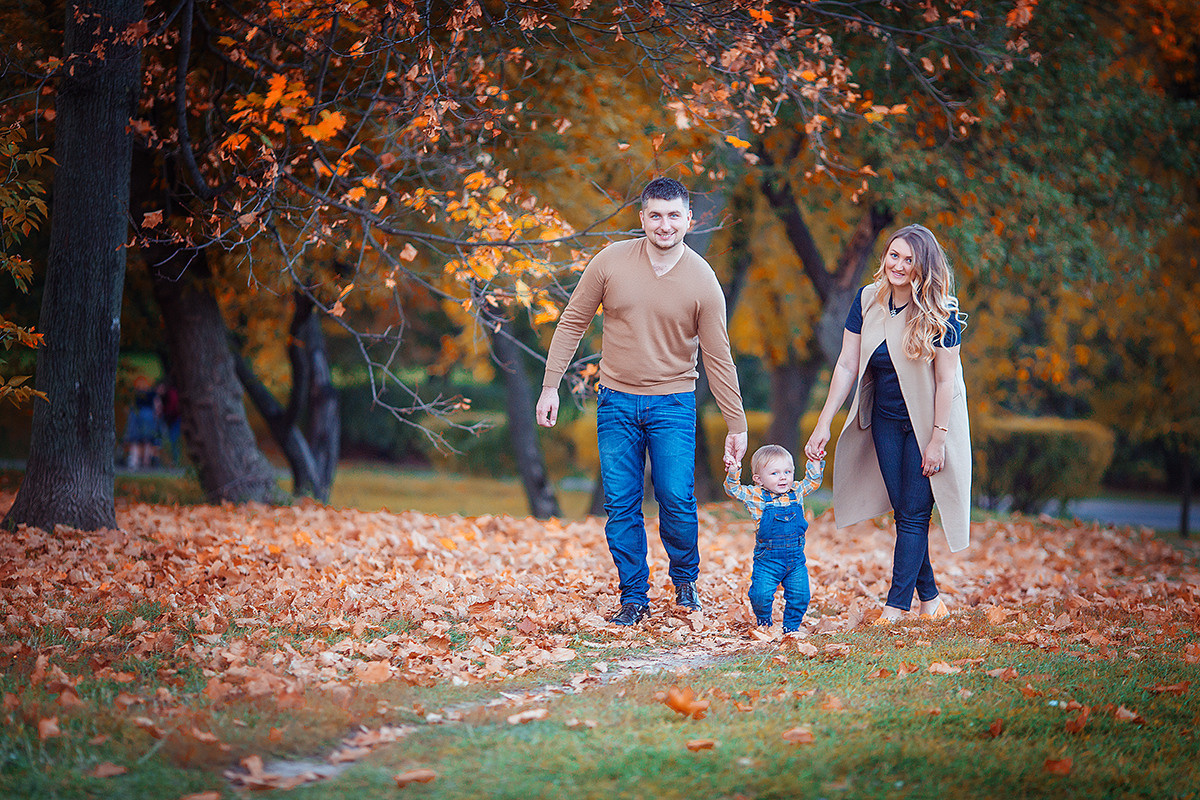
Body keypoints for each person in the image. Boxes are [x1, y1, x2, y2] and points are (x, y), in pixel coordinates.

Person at [536, 177, 749, 625]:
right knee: (621, 502)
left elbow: (718, 355)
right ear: (642, 218)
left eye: (674, 215)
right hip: (616, 403)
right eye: (655, 215)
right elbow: (573, 320)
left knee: (675, 497)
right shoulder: (611, 262)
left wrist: (737, 424)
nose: (664, 224)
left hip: (673, 404)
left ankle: (685, 581)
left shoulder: (703, 281)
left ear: (689, 220)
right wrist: (550, 385)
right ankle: (633, 595)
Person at [804, 224, 971, 625]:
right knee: (904, 512)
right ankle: (930, 600)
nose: (898, 265)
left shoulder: (942, 313)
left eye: (909, 259)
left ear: (923, 267)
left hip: (930, 426)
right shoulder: (867, 300)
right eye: (893, 255)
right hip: (884, 420)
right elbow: (846, 364)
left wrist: (937, 440)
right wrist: (824, 423)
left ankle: (895, 608)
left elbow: (948, 380)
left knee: (914, 515)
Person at [723, 444, 824, 633]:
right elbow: (733, 489)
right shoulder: (756, 496)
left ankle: (791, 628)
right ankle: (764, 622)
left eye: (787, 471)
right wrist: (734, 471)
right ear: (758, 479)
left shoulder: (796, 491)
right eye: (775, 473)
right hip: (768, 560)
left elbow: (813, 481)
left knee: (801, 595)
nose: (783, 477)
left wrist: (816, 462)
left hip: (795, 560)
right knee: (760, 595)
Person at [122, 375, 162, 470]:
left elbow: (129, 407)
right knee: (148, 440)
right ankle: (146, 462)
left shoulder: (135, 393)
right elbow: (157, 406)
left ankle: (134, 461)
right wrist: (157, 418)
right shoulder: (152, 393)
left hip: (136, 416)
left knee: (135, 440)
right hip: (149, 417)